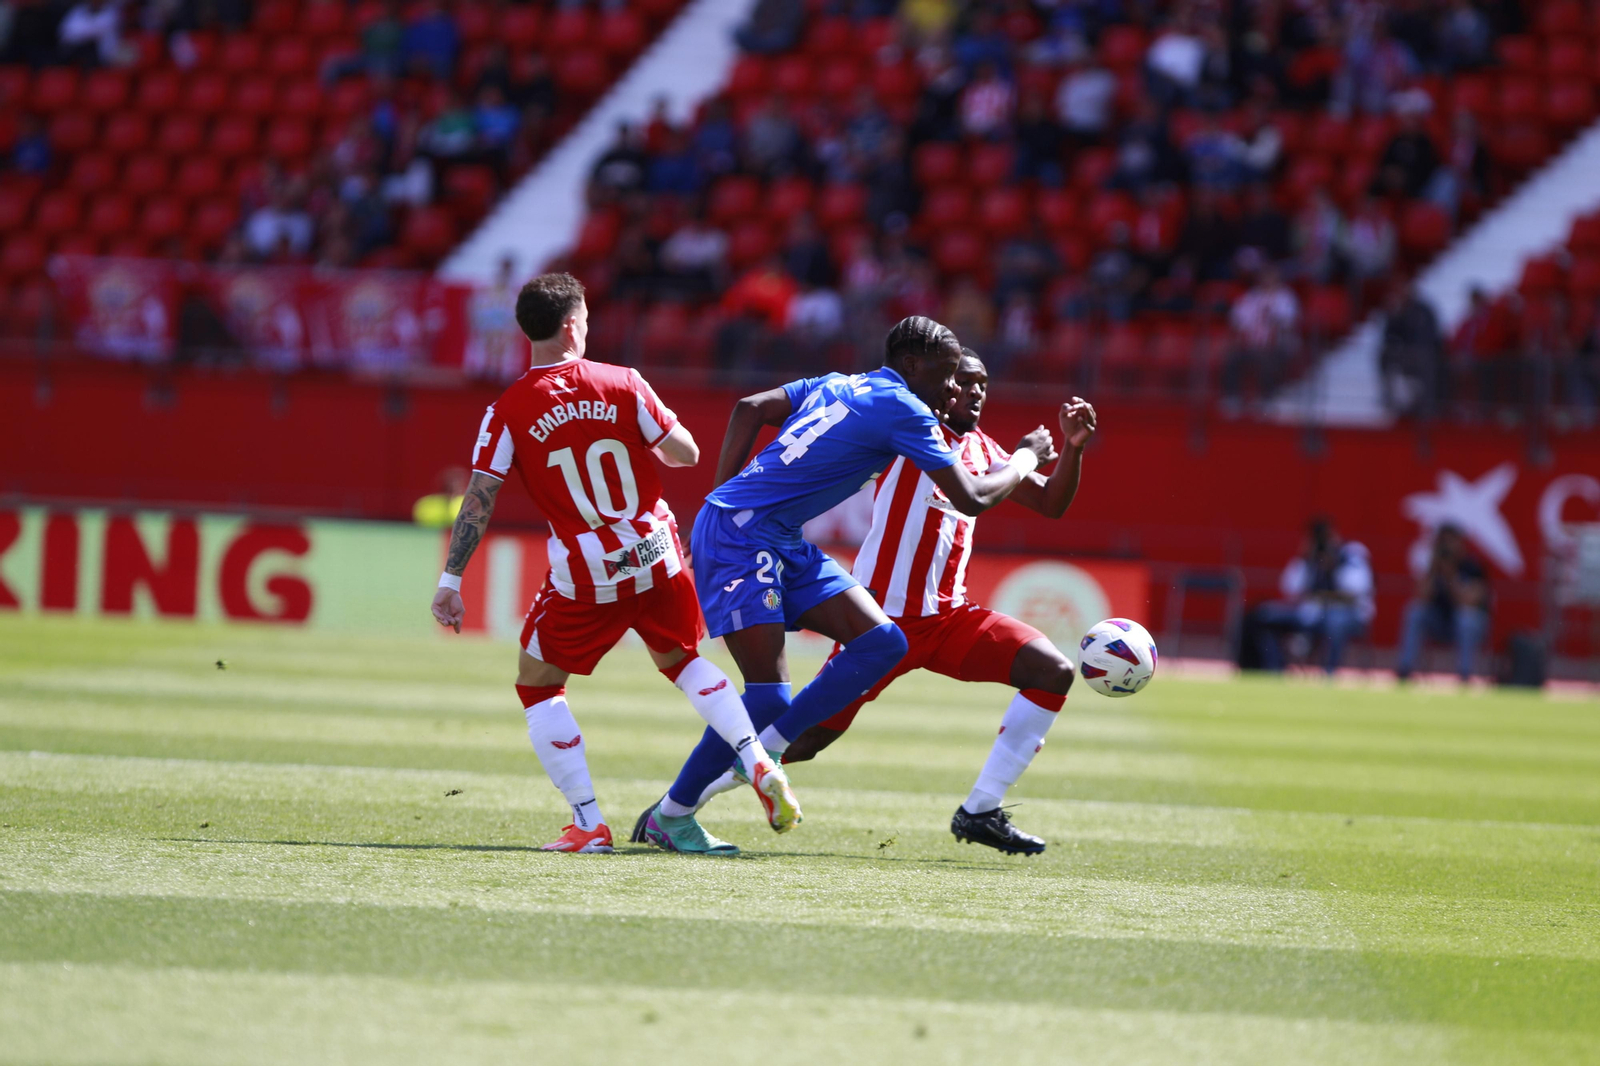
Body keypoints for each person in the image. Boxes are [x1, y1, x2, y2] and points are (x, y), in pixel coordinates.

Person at [633, 317, 1059, 855]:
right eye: (947, 373)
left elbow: (750, 407)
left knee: (882, 642)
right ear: (912, 365)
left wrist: (722, 496)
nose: (954, 387)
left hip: (777, 537)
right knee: (769, 695)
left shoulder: (841, 382)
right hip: (741, 539)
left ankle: (766, 753)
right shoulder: (905, 409)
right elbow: (972, 497)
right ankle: (673, 815)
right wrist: (1025, 457)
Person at [429, 273, 800, 854]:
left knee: (539, 685)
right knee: (684, 662)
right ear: (571, 325)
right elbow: (685, 454)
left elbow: (481, 495)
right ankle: (755, 760)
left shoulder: (507, 409)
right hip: (657, 552)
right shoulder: (623, 381)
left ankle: (588, 823)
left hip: (590, 572)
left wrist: (451, 580)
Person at [1247, 518, 1375, 673]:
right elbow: (1290, 587)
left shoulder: (1350, 553)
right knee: (1265, 616)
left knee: (1335, 622)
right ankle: (1275, 669)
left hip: (1348, 614)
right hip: (1312, 612)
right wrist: (1305, 557)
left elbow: (1357, 589)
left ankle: (1329, 673)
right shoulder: (1310, 556)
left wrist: (1334, 565)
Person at [1396, 524, 1490, 682]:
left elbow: (1467, 602)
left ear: (1461, 544)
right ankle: (1405, 669)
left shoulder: (1472, 567)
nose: (1447, 547)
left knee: (1465, 619)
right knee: (1415, 612)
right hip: (1440, 623)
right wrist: (1434, 568)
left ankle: (1465, 674)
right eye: (1443, 542)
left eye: (1451, 542)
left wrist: (1450, 575)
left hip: (1468, 626)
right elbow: (1421, 597)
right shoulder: (1434, 567)